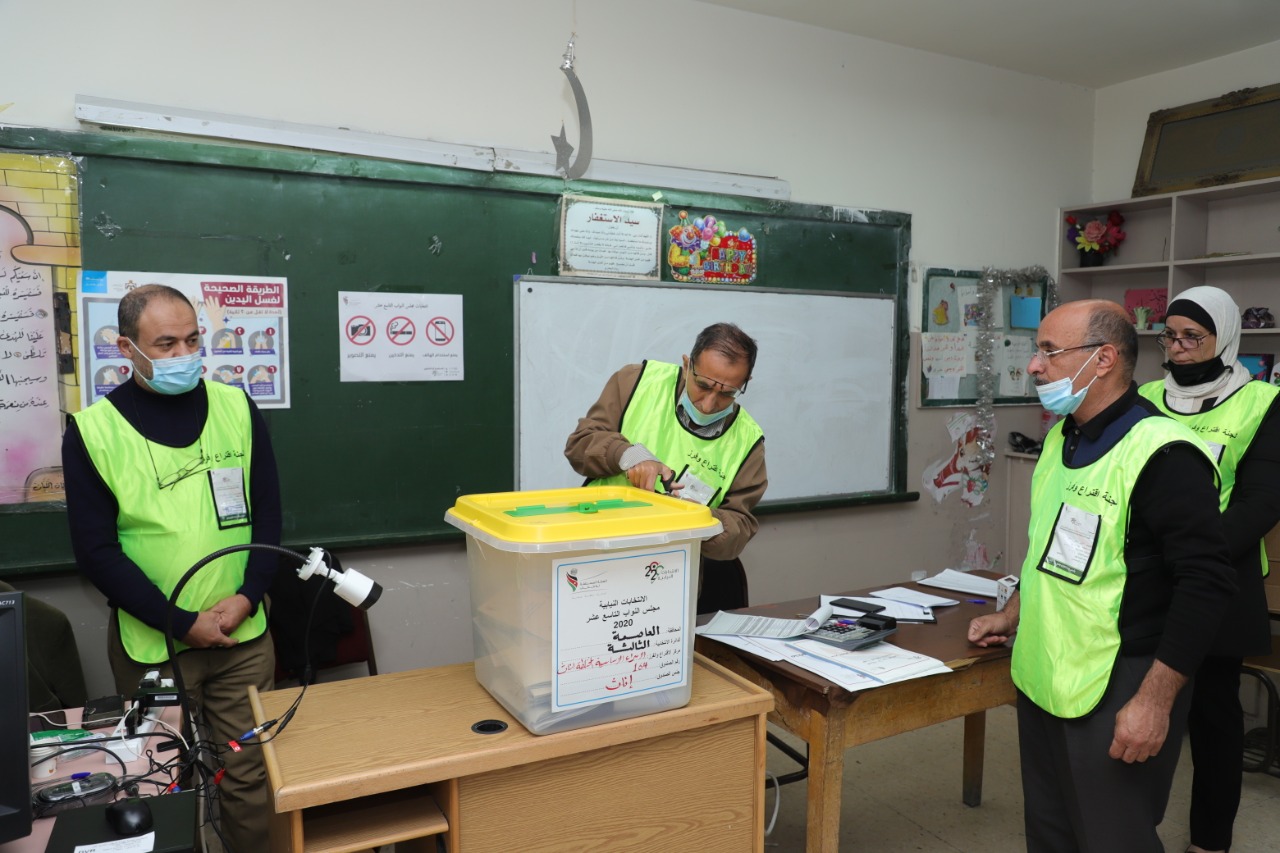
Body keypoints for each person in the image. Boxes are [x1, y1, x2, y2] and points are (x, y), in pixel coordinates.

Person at [968, 299, 1236, 853]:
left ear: (1105, 358)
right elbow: (1049, 548)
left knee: (1114, 838)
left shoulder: (1165, 454)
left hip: (1120, 682)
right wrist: (1012, 612)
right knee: (1050, 833)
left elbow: (1206, 585)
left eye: (1048, 351)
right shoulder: (1064, 439)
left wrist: (1154, 701)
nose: (1034, 366)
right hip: (1046, 674)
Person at [62, 284, 282, 853]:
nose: (183, 354)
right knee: (160, 783)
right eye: (165, 344)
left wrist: (249, 596)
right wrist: (180, 621)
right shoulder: (93, 431)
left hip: (243, 635)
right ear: (125, 348)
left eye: (192, 339)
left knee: (250, 773)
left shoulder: (236, 407)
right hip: (153, 647)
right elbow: (96, 553)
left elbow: (269, 515)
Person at [1137, 286, 1280, 853]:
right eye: (1170, 337)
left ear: (1224, 338)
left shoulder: (1264, 403)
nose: (1179, 348)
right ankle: (1126, 825)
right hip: (1147, 578)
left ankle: (1209, 842)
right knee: (1141, 706)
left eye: (1193, 337)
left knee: (1214, 719)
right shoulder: (1146, 396)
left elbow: (1262, 503)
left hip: (1221, 579)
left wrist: (1190, 557)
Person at [564, 322, 767, 613]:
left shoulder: (748, 440)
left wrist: (701, 519)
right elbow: (580, 445)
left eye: (727, 393)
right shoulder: (636, 382)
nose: (709, 403)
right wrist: (627, 454)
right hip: (596, 560)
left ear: (745, 383)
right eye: (704, 385)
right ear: (687, 365)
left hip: (669, 582)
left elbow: (740, 527)